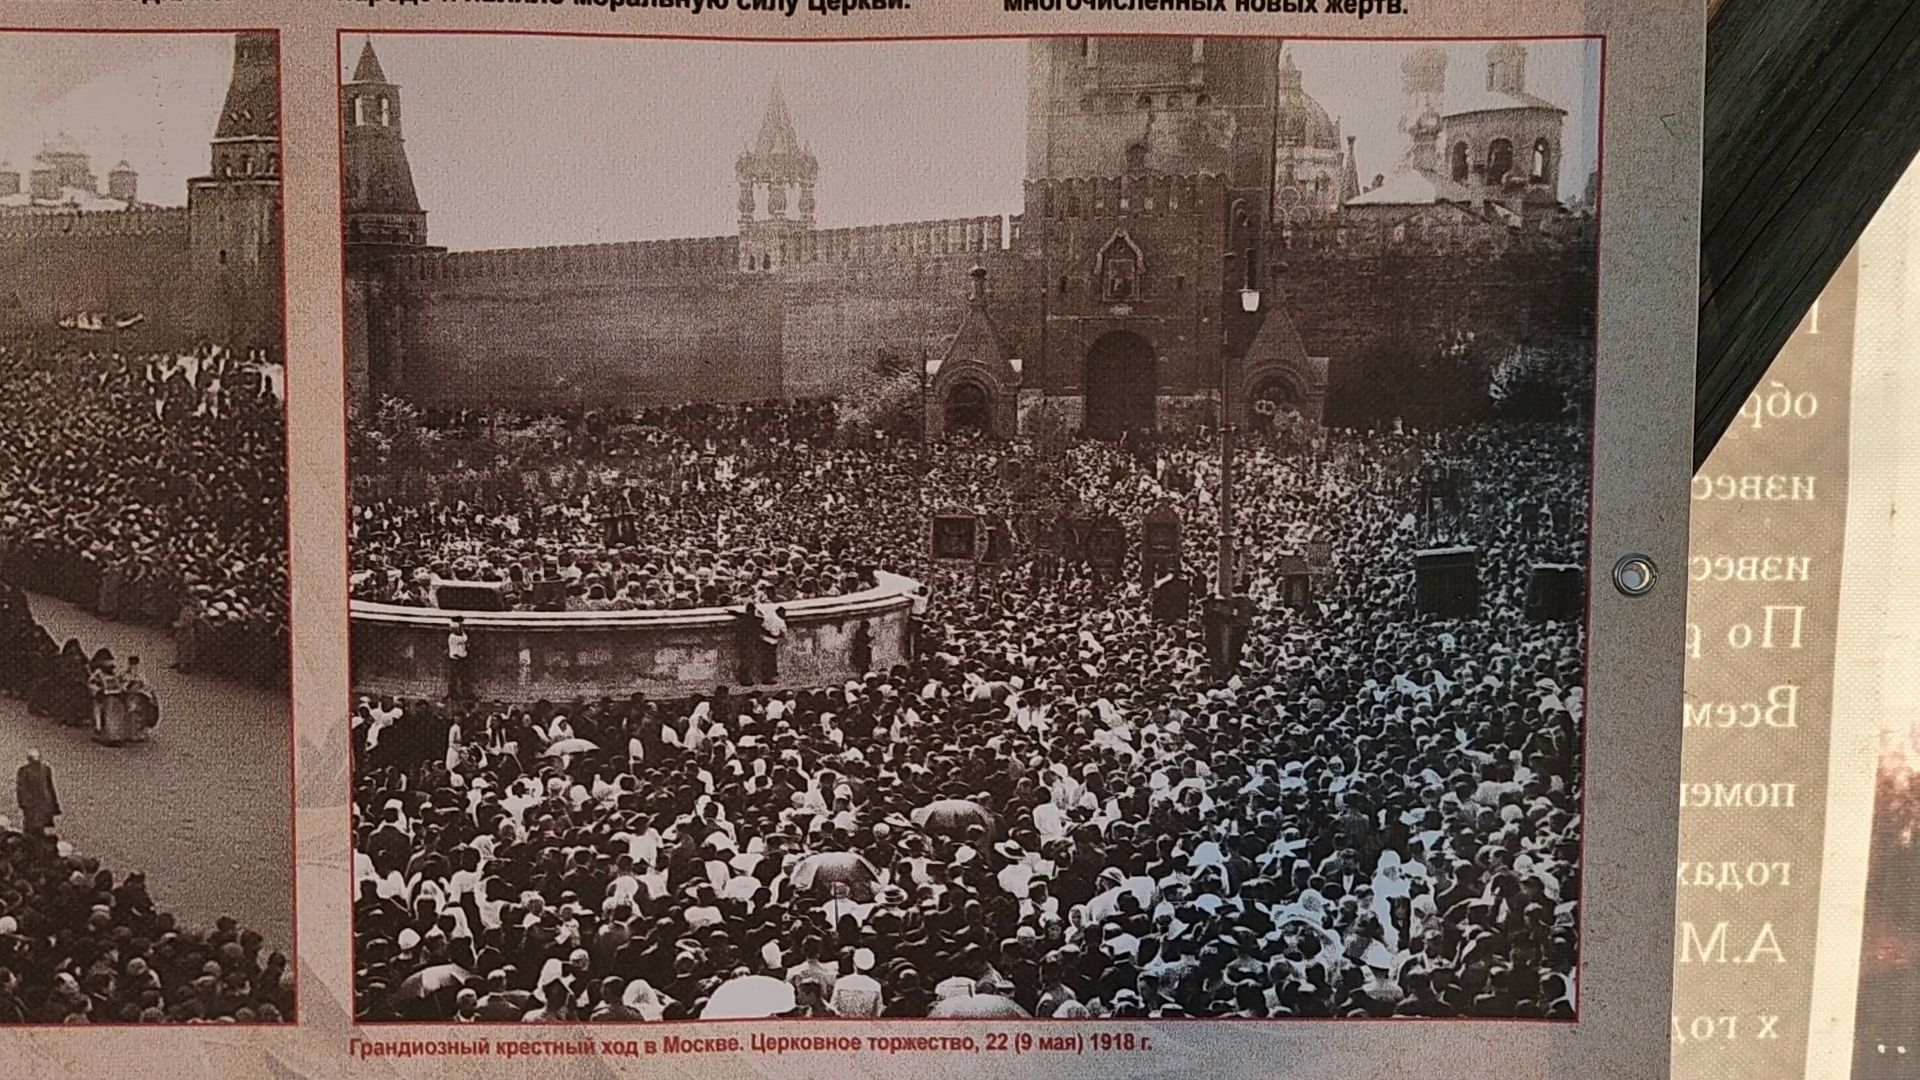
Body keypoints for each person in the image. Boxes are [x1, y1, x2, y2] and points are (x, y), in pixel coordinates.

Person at [15, 750, 59, 849]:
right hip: (36, 803)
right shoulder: (27, 770)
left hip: (38, 803)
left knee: (36, 825)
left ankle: (34, 844)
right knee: (35, 824)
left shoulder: (28, 770)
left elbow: (49, 786)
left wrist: (22, 803)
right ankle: (34, 844)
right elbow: (22, 788)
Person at [446, 616, 471, 702]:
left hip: (461, 659)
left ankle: (464, 693)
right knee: (454, 677)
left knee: (463, 677)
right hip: (456, 660)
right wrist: (461, 629)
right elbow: (464, 639)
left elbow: (466, 640)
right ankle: (452, 693)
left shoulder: (460, 636)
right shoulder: (452, 637)